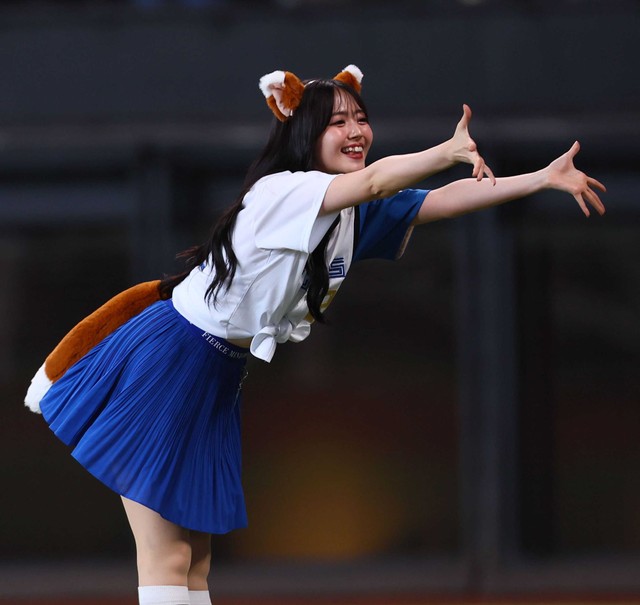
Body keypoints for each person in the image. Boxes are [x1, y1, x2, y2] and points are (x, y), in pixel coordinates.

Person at [25, 64, 605, 605]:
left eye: (360, 119)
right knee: (167, 555)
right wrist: (446, 151)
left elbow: (442, 201)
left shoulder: (348, 212)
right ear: (304, 133)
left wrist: (541, 178)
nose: (356, 132)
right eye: (337, 122)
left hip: (216, 370)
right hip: (169, 360)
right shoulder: (283, 191)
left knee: (195, 561)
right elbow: (377, 181)